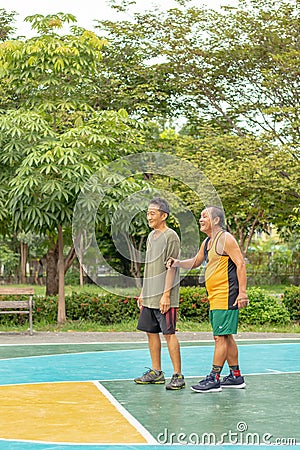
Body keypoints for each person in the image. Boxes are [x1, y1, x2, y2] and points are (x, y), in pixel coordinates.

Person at [167, 206, 248, 393]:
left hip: (226, 294)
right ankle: (236, 377)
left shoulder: (226, 239)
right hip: (215, 296)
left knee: (220, 337)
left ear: (216, 220)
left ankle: (214, 378)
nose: (201, 220)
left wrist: (242, 293)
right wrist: (177, 262)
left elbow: (240, 263)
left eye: (205, 216)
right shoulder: (208, 242)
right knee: (225, 336)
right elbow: (196, 262)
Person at [134, 197, 185, 390]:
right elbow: (150, 266)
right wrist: (143, 292)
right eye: (147, 213)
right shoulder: (151, 236)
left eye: (152, 213)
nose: (149, 216)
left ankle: (178, 375)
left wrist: (166, 295)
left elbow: (171, 267)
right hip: (150, 295)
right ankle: (156, 372)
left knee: (169, 333)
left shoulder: (171, 236)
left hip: (165, 296)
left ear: (164, 216)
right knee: (151, 332)